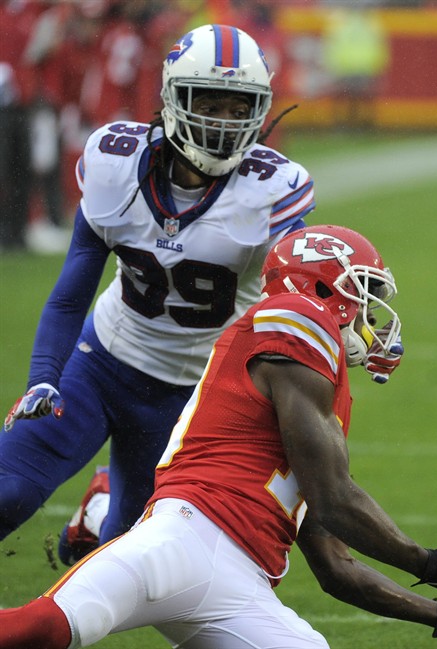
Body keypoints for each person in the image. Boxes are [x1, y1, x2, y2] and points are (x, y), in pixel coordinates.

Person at [0, 224, 437, 648]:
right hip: (182, 540)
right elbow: (334, 500)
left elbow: (336, 568)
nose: (372, 315)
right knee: (37, 632)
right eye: (364, 294)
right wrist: (425, 563)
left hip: (243, 586)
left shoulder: (321, 387)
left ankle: (100, 513)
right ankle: (101, 511)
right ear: (324, 286)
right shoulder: (293, 317)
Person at [0, 24, 333, 565]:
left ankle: (97, 513)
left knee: (123, 558)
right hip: (102, 362)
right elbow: (70, 294)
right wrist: (43, 376)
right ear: (175, 97)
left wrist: (337, 326)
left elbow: (293, 293)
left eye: (238, 106)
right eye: (211, 102)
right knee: (8, 493)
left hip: (192, 395)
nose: (224, 121)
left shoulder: (273, 189)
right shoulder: (117, 163)